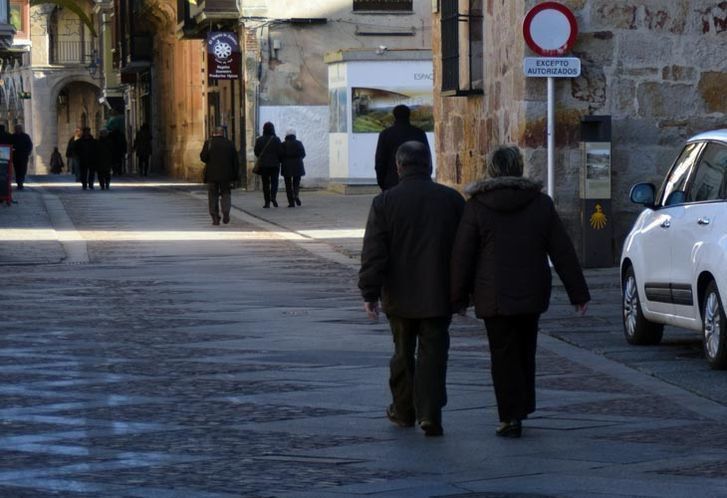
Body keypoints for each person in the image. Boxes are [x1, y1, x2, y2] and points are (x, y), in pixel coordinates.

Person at [450, 145, 590, 439]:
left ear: (492, 169)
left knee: (502, 354)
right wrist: (578, 293)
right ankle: (522, 406)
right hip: (531, 290)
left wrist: (458, 298)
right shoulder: (540, 204)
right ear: (518, 168)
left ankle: (510, 415)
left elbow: (463, 254)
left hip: (493, 294)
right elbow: (562, 250)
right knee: (526, 350)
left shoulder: (476, 206)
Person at [358, 141, 465, 437]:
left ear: (398, 166)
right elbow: (466, 250)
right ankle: (430, 413)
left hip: (399, 294)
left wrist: (369, 292)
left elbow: (374, 252)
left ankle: (404, 410)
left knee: (402, 352)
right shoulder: (451, 200)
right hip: (438, 292)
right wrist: (464, 292)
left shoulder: (385, 202)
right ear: (428, 164)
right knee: (434, 353)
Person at [374, 104, 430, 191]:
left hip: (392, 182)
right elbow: (427, 156)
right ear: (409, 115)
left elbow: (380, 161)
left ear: (394, 116)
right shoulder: (419, 133)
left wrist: (382, 183)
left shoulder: (386, 134)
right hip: (419, 182)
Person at [200, 126, 239, 225]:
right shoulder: (229, 143)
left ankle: (215, 217)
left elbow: (203, 158)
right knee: (226, 194)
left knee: (213, 195)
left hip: (212, 175)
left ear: (214, 133)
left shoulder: (209, 143)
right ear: (223, 133)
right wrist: (235, 175)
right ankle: (226, 212)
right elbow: (235, 160)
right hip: (226, 175)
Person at [254, 122, 282, 208]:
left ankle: (267, 202)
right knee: (274, 182)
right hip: (275, 164)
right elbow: (280, 152)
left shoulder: (259, 140)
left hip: (264, 165)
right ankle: (273, 197)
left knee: (265, 183)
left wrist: (262, 157)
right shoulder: (277, 139)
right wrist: (278, 160)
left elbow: (256, 152)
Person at [281, 128, 306, 207]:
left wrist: (283, 160)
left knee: (288, 184)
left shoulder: (283, 144)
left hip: (286, 165)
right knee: (296, 182)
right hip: (297, 165)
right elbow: (303, 154)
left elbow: (280, 155)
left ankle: (291, 202)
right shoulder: (299, 143)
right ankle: (296, 194)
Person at [12, 124, 33, 190]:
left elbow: (30, 145)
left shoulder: (26, 136)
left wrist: (27, 152)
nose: (17, 130)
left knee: (23, 170)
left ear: (21, 129)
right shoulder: (12, 136)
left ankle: (21, 182)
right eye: (16, 129)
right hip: (15, 156)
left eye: (18, 129)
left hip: (23, 156)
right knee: (17, 170)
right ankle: (19, 183)